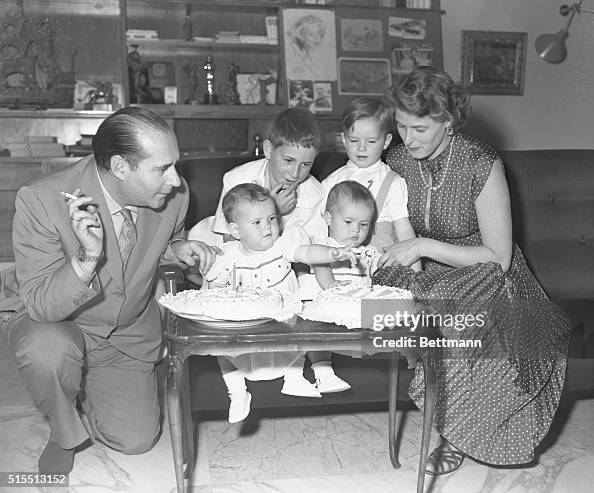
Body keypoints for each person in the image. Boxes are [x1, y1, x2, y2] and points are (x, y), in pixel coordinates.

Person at [372, 67, 570, 474]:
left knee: (461, 320)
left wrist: (424, 245)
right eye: (402, 126)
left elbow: (497, 257)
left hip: (485, 273)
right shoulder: (396, 158)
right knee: (381, 304)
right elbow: (373, 215)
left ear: (448, 120)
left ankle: (453, 436)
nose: (408, 139)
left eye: (421, 128)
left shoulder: (482, 163)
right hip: (424, 269)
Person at [2, 107, 218, 475]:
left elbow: (155, 245)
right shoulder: (41, 200)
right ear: (120, 167)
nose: (177, 181)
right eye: (162, 169)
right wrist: (86, 261)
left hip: (126, 331)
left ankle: (86, 387)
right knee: (49, 353)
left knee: (135, 440)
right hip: (58, 319)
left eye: (175, 165)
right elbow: (40, 304)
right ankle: (61, 427)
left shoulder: (173, 198)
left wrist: (179, 251)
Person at [202, 183, 357, 423]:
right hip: (247, 324)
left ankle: (294, 378)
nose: (268, 227)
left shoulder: (283, 244)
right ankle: (238, 392)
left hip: (282, 319)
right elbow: (214, 288)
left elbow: (307, 253)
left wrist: (331, 254)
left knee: (303, 328)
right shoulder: (228, 255)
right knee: (222, 349)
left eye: (272, 218)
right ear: (235, 230)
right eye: (257, 223)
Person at [322, 97, 421, 270]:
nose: (362, 148)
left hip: (382, 273)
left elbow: (405, 234)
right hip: (341, 273)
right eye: (354, 140)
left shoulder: (393, 182)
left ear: (386, 141)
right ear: (344, 140)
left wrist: (416, 277)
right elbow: (318, 231)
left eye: (371, 141)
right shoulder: (332, 182)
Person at [205, 107, 327, 243]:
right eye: (288, 161)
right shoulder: (237, 180)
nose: (295, 174)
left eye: (305, 164)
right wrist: (273, 212)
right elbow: (229, 241)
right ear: (268, 150)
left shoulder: (316, 196)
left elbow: (312, 253)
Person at [311, 180, 382, 291]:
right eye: (348, 222)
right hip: (326, 302)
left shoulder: (368, 253)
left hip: (358, 305)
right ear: (329, 218)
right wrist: (330, 284)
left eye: (363, 224)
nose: (356, 230)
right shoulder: (322, 247)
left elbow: (382, 273)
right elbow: (321, 268)